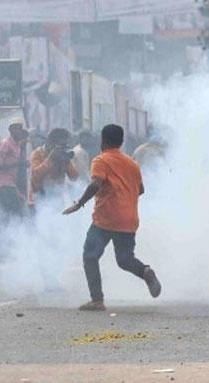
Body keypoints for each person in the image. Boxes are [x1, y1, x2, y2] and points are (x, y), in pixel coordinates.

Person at [63, 124, 161, 311]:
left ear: (103, 140)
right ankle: (145, 271)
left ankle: (97, 300)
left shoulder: (101, 160)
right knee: (124, 259)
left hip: (105, 219)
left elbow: (95, 184)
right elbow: (141, 190)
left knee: (90, 256)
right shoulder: (132, 163)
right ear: (122, 141)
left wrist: (79, 203)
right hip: (129, 219)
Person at [29, 128, 79, 204]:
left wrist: (67, 161)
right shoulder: (38, 153)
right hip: (39, 197)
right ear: (51, 143)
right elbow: (35, 176)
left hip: (56, 198)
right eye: (61, 145)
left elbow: (74, 177)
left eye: (65, 145)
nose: (64, 147)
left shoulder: (63, 155)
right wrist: (51, 159)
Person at [0, 122, 29, 220]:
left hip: (11, 184)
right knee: (16, 213)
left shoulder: (18, 146)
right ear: (11, 130)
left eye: (21, 128)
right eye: (17, 128)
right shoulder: (6, 143)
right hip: (3, 184)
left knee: (12, 214)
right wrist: (19, 164)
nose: (20, 131)